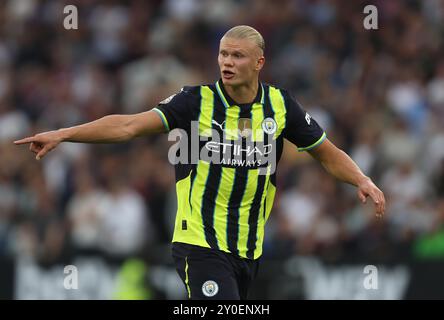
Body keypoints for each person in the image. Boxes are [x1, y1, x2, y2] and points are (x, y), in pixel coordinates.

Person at [14, 25, 385, 300]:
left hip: (248, 248)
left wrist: (361, 179)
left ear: (259, 62)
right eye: (223, 54)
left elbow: (326, 151)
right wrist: (64, 133)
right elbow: (128, 126)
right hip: (200, 244)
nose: (227, 62)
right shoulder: (195, 101)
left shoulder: (281, 106)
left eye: (237, 56)